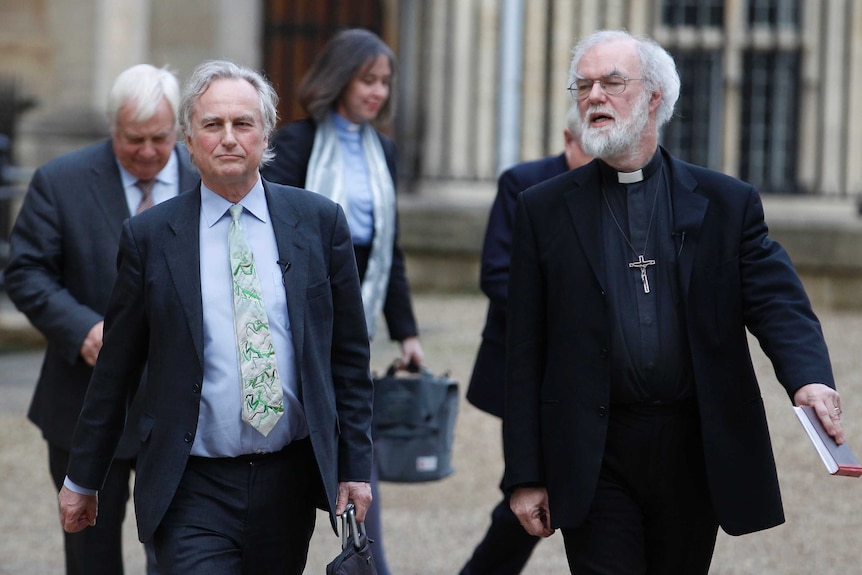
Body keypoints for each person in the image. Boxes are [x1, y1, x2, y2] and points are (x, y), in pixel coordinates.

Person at [503, 29, 845, 574]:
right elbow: (522, 351)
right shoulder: (542, 210)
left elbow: (776, 299)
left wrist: (807, 377)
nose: (594, 97)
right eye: (583, 85)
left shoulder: (724, 203)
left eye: (612, 83)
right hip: (596, 449)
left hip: (692, 445)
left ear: (655, 97)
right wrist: (524, 474)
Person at [56, 59, 374, 575]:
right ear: (188, 137)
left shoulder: (319, 223)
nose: (229, 138)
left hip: (287, 478)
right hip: (190, 481)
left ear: (265, 134)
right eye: (213, 124)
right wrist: (82, 479)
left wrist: (355, 467)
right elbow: (115, 370)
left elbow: (349, 360)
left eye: (243, 124)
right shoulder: (150, 236)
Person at [5, 63, 197, 575]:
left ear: (177, 130)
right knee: (91, 557)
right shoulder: (60, 181)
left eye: (160, 138)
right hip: (83, 403)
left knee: (188, 554)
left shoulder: (209, 182)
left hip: (185, 410)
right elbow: (26, 272)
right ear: (113, 127)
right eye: (134, 139)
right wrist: (82, 328)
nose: (149, 152)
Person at [262, 28, 423, 575]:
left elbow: (388, 247)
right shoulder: (296, 142)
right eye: (367, 79)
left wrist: (407, 332)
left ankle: (365, 561)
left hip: (356, 310)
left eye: (385, 82)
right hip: (301, 307)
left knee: (356, 434)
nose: (377, 92)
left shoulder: (386, 151)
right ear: (339, 79)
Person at [459, 105, 591, 575]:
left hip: (590, 375)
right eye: (588, 152)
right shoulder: (524, 183)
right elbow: (496, 274)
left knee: (537, 486)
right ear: (567, 140)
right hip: (528, 367)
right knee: (529, 486)